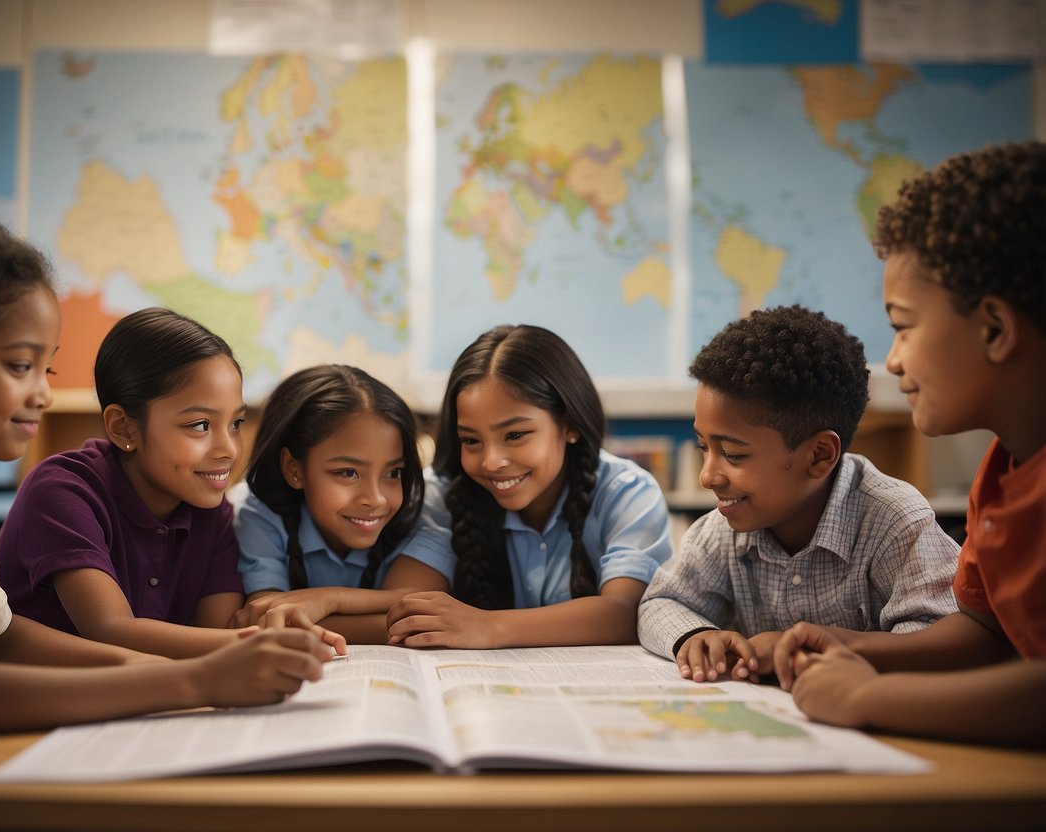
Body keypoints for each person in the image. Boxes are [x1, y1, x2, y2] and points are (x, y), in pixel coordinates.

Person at [0, 213, 332, 824]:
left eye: (47, 368)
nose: (43, 393)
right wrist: (194, 682)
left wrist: (206, 669)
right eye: (20, 367)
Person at [772, 141, 1046, 748]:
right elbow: (985, 632)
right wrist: (858, 646)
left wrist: (869, 696)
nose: (893, 360)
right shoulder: (1003, 468)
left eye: (902, 327)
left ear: (995, 329)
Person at [0, 308, 344, 658]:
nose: (229, 450)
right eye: (201, 425)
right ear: (123, 428)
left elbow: (216, 635)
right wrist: (269, 643)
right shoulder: (63, 491)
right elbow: (109, 629)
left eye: (236, 423)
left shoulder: (211, 510)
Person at [636, 305, 959, 682]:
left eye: (734, 455)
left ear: (819, 456)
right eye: (702, 448)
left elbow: (942, 635)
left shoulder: (894, 522)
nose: (708, 476)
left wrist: (815, 649)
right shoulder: (723, 528)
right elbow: (662, 601)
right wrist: (694, 635)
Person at [386, 324, 673, 648]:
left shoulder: (627, 492)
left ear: (570, 425)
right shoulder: (440, 495)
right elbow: (403, 611)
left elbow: (625, 613)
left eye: (515, 435)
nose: (492, 461)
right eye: (471, 440)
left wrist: (490, 627)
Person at [231, 364, 449, 643]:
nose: (376, 499)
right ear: (294, 469)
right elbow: (269, 617)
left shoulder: (423, 513)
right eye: (348, 472)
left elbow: (416, 616)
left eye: (393, 473)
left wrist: (330, 599)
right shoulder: (259, 513)